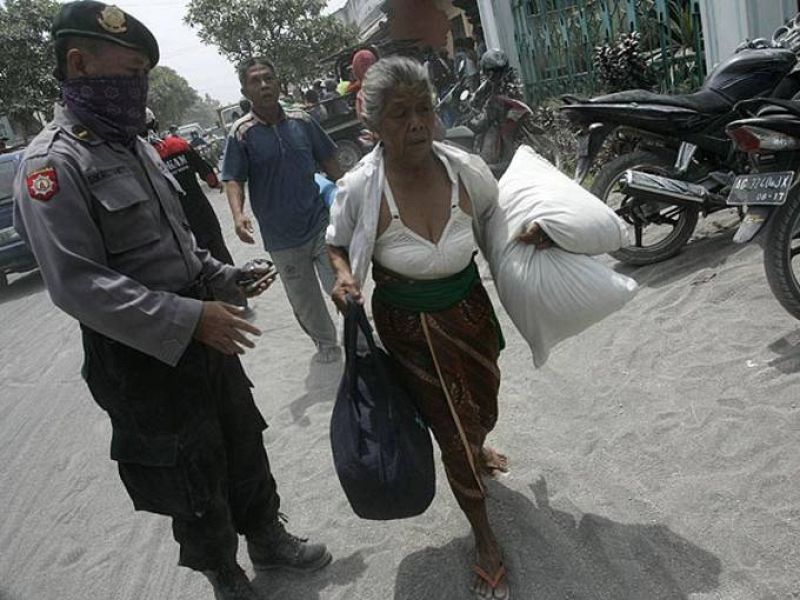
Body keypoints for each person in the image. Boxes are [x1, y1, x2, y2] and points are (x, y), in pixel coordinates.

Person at [13, 4, 331, 599]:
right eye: (130, 73)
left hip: (203, 322)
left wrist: (222, 279)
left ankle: (266, 537)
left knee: (241, 433)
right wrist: (189, 318)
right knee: (190, 466)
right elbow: (76, 284)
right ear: (78, 64)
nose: (140, 88)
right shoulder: (52, 164)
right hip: (143, 350)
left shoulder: (135, 146)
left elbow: (177, 245)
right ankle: (225, 575)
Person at [326, 57, 550, 600]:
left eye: (424, 109)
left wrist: (532, 232)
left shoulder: (463, 169)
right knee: (451, 426)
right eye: (400, 114)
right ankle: (484, 536)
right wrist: (343, 278)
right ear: (375, 125)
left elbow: (499, 217)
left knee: (482, 403)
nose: (418, 124)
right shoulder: (360, 188)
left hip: (469, 309)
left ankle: (476, 446)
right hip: (410, 325)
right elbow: (336, 244)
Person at [222, 57, 346, 363]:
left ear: (278, 83)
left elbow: (328, 157)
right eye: (255, 81)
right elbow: (233, 178)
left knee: (342, 284)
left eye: (268, 78)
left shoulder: (301, 119)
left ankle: (359, 337)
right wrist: (238, 215)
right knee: (305, 300)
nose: (264, 85)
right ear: (245, 90)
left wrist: (346, 192)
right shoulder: (241, 133)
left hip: (319, 223)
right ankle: (327, 344)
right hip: (282, 237)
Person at [146, 110, 235, 266]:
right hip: (200, 210)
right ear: (156, 124)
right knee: (218, 250)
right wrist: (215, 183)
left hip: (175, 222)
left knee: (194, 261)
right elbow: (204, 170)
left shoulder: (143, 157)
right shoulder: (178, 144)